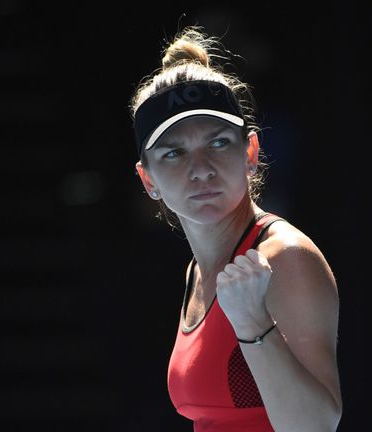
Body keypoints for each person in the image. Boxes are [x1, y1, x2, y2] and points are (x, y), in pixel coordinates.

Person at [129, 26, 342, 432]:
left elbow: (315, 427)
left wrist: (253, 326)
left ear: (251, 152)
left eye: (219, 143)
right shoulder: (198, 272)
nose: (201, 169)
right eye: (174, 152)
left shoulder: (285, 258)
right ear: (148, 180)